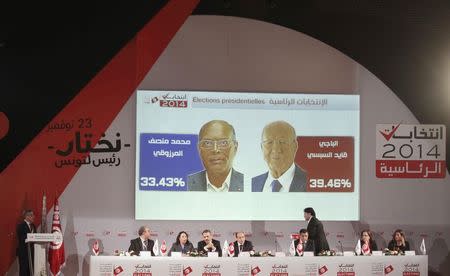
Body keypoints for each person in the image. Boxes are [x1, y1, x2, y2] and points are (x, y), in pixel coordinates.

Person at [188, 120, 244, 192]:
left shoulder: (247, 183)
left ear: (235, 147)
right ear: (199, 149)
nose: (215, 149)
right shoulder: (187, 183)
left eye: (223, 143)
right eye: (207, 143)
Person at [252, 121, 307, 192]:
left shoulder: (310, 182)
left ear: (295, 146)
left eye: (282, 142)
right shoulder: (253, 184)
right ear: (262, 147)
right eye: (269, 142)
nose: (276, 149)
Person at [16, 210, 36, 276]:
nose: (34, 217)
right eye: (32, 215)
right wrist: (30, 237)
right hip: (24, 253)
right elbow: (22, 239)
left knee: (30, 271)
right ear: (27, 216)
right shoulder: (21, 226)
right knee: (23, 271)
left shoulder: (33, 226)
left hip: (32, 253)